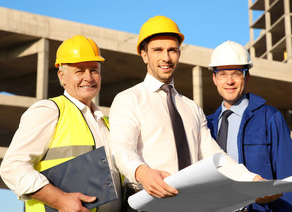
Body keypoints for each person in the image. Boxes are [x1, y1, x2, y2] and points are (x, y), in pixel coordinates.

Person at [109, 16, 278, 211]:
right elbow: (121, 149)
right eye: (158, 50)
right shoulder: (128, 99)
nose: (166, 57)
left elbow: (214, 157)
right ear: (144, 54)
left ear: (179, 54)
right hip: (148, 203)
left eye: (172, 50)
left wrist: (253, 181)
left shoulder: (191, 108)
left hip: (190, 205)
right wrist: (142, 172)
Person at [0, 35, 122, 212]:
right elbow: (12, 168)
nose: (89, 77)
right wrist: (59, 200)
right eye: (79, 71)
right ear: (62, 76)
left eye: (94, 70)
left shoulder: (108, 124)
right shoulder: (49, 111)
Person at [206, 40, 292, 211]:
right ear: (214, 78)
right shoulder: (207, 126)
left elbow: (289, 179)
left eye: (236, 74)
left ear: (247, 76)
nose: (229, 81)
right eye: (222, 74)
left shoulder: (269, 118)